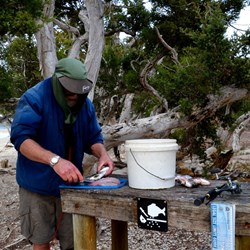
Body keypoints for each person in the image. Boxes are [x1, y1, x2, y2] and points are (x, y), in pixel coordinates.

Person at [10, 58, 114, 250]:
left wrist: (103, 155)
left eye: (78, 90)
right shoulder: (34, 98)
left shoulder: (85, 105)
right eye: (68, 90)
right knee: (41, 241)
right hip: (37, 186)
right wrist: (55, 161)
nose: (74, 95)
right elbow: (21, 139)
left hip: (72, 186)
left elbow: (93, 137)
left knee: (75, 240)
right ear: (57, 80)